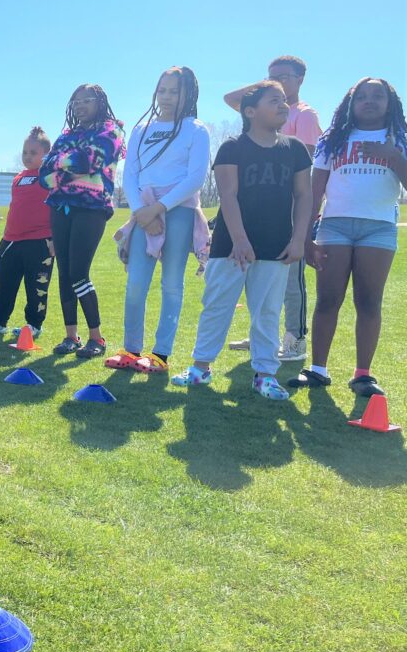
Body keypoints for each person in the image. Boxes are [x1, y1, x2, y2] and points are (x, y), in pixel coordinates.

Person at [171, 81, 312, 399]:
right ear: (250, 111)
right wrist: (239, 239)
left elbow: (304, 196)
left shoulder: (295, 150)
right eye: (273, 100)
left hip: (277, 247)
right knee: (217, 306)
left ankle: (265, 375)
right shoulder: (232, 147)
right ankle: (201, 368)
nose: (283, 104)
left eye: (284, 100)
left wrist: (299, 239)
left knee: (268, 312)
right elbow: (228, 195)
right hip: (230, 247)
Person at [289, 78, 407, 398]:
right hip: (335, 226)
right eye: (362, 96)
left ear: (390, 103)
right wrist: (306, 236)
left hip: (378, 227)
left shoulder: (400, 138)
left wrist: (393, 156)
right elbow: (315, 190)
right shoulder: (333, 139)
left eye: (377, 96)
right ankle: (318, 369)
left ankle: (363, 375)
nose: (369, 101)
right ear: (351, 104)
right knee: (328, 299)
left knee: (368, 301)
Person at [107, 66, 211, 373]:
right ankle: (130, 349)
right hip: (143, 210)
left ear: (188, 94)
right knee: (136, 283)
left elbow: (195, 178)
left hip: (179, 209)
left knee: (172, 283)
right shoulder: (142, 129)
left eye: (174, 91)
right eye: (162, 90)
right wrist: (142, 210)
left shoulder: (196, 129)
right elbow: (130, 174)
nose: (166, 97)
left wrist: (160, 208)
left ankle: (160, 354)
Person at [224, 55, 323, 360]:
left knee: (290, 276)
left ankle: (295, 339)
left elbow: (304, 167)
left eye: (284, 77)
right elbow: (230, 99)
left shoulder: (304, 115)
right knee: (260, 274)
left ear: (301, 80)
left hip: (289, 208)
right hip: (259, 208)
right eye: (271, 77)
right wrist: (268, 85)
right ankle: (262, 335)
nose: (277, 82)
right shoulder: (262, 107)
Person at [40, 84, 126, 358]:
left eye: (86, 100)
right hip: (60, 207)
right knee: (64, 273)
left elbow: (89, 161)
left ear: (100, 102)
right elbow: (43, 175)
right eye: (76, 102)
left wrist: (60, 165)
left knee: (79, 272)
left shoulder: (111, 131)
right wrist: (70, 167)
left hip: (92, 208)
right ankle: (71, 336)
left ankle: (96, 338)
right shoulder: (67, 134)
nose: (80, 106)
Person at [0, 127, 54, 338]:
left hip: (40, 241)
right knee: (4, 284)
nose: (27, 157)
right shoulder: (18, 178)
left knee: (36, 287)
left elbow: (58, 208)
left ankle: (33, 325)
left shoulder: (51, 177)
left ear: (46, 154)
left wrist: (54, 238)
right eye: (25, 152)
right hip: (10, 241)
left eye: (33, 153)